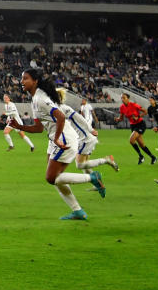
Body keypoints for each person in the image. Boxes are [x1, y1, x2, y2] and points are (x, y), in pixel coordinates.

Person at [8, 68, 106, 221]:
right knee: (55, 178)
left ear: (35, 81)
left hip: (63, 137)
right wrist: (19, 126)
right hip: (55, 137)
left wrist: (57, 138)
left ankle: (92, 178)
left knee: (51, 178)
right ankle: (78, 211)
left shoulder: (40, 99)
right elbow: (39, 128)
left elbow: (60, 117)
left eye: (25, 78)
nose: (22, 81)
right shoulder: (35, 99)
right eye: (22, 78)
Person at [57, 93, 117, 174]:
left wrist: (91, 129)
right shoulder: (57, 109)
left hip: (85, 138)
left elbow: (79, 117)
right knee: (85, 164)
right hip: (83, 137)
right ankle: (97, 183)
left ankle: (106, 160)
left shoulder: (63, 108)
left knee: (80, 165)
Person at [117, 93, 157, 165]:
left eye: (124, 98)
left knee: (131, 140)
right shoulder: (122, 107)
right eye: (121, 98)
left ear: (128, 98)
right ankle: (153, 157)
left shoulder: (134, 105)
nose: (122, 99)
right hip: (133, 126)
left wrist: (138, 117)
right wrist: (118, 119)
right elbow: (121, 118)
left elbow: (145, 111)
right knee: (141, 144)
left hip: (140, 124)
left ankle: (141, 156)